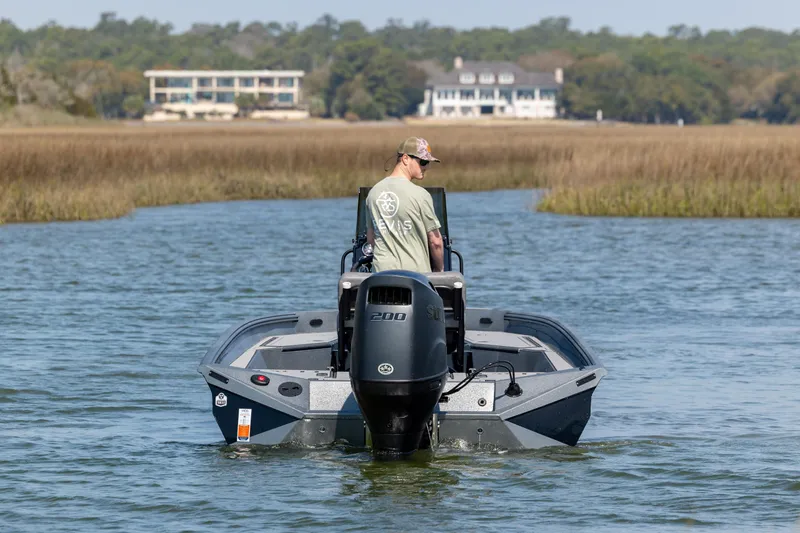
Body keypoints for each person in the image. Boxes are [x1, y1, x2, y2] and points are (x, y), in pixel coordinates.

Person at [365, 137, 444, 273]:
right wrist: (439, 270)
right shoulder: (421, 195)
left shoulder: (373, 193)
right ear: (405, 159)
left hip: (380, 277)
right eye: (423, 162)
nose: (427, 167)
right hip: (415, 277)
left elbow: (371, 238)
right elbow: (435, 242)